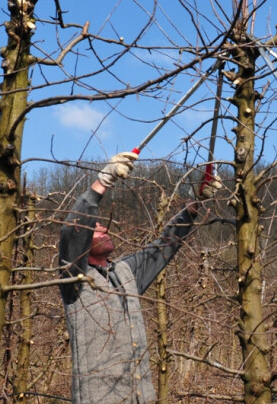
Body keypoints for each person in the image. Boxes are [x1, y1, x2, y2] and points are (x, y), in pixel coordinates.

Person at [59, 151, 221, 404]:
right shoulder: (75, 280)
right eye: (96, 228)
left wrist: (193, 207)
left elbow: (162, 247)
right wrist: (103, 181)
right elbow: (72, 229)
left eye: (102, 225)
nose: (104, 228)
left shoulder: (125, 272)